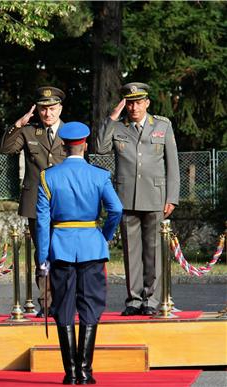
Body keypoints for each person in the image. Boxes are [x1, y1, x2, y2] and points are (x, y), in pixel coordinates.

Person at [36, 122, 123, 385]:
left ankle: (70, 373)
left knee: (63, 307)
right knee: (90, 305)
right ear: (85, 146)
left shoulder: (48, 177)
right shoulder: (99, 175)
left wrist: (43, 258)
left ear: (63, 146)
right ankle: (85, 371)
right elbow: (116, 209)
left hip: (60, 248)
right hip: (91, 247)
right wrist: (103, 236)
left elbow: (42, 222)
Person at [95, 82, 180, 316]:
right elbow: (100, 148)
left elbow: (173, 164)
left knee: (153, 251)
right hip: (126, 198)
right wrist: (112, 117)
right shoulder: (119, 127)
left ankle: (152, 299)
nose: (134, 107)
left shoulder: (162, 126)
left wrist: (172, 196)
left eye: (138, 102)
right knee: (131, 251)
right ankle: (133, 299)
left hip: (155, 196)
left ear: (147, 103)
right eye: (130, 103)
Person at [0, 86, 67, 316]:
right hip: (36, 202)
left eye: (52, 108)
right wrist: (18, 125)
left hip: (63, 203)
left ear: (60, 108)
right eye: (43, 109)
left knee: (63, 253)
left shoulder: (70, 132)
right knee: (42, 253)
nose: (47, 113)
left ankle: (64, 300)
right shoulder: (29, 132)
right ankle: (46, 302)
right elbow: (5, 148)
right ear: (37, 110)